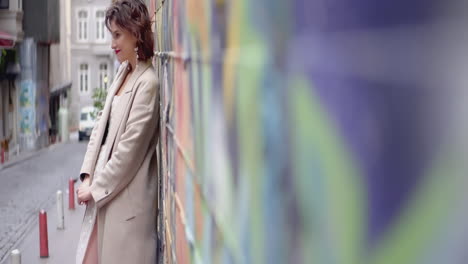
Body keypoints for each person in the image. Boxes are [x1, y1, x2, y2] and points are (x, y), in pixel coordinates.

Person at [75, 0, 159, 263]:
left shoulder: (148, 83)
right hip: (105, 198)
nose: (112, 43)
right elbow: (101, 125)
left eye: (117, 34)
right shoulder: (124, 72)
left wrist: (94, 188)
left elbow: (128, 152)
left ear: (136, 32)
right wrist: (87, 174)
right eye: (111, 34)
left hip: (126, 212)